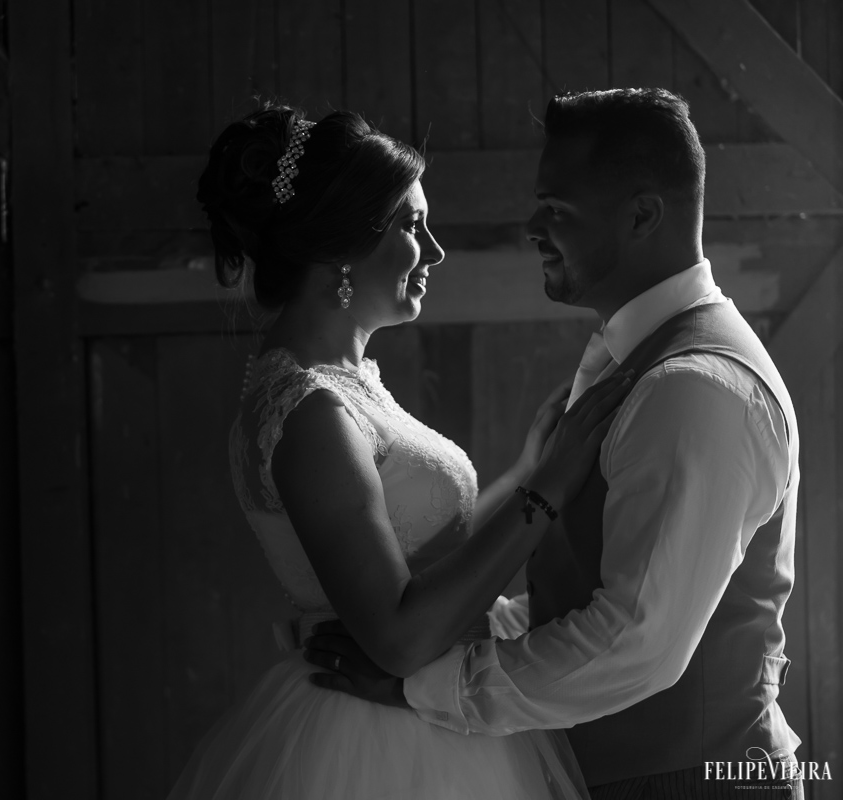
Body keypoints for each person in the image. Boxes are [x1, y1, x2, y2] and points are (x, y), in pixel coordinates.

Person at [306, 88, 804, 799]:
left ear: (642, 215)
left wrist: (426, 685)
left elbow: (636, 641)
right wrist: (451, 632)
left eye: (557, 209)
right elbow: (581, 595)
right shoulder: (633, 361)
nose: (533, 226)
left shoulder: (695, 388)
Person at [165, 103, 632, 800]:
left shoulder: (341, 390)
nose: (436, 251)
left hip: (422, 712)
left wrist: (532, 466)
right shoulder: (311, 413)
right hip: (378, 737)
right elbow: (400, 637)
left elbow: (426, 558)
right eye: (414, 225)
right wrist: (546, 492)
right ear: (342, 246)